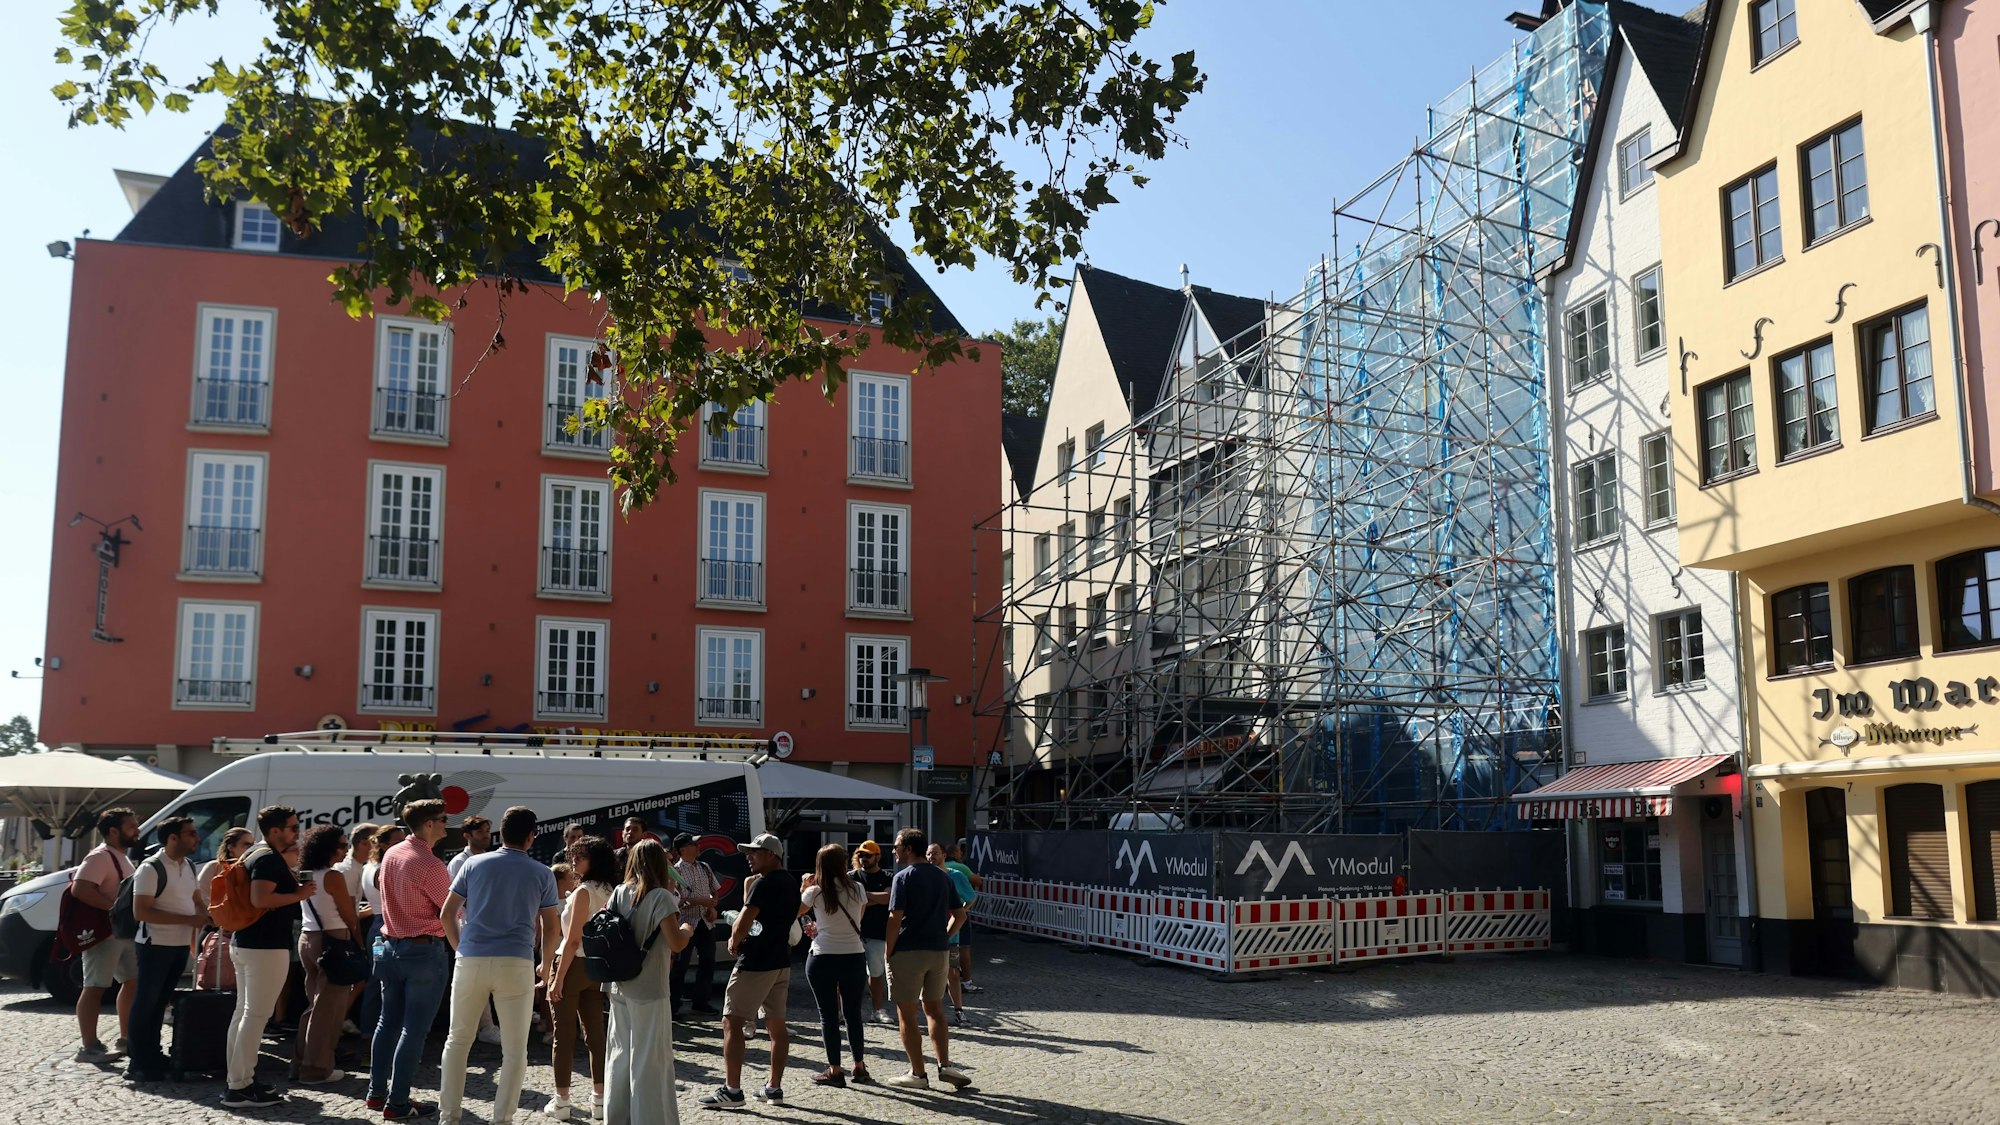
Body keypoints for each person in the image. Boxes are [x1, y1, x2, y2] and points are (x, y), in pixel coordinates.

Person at [438, 806, 561, 1125]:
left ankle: (448, 1116)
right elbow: (551, 927)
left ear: (499, 835)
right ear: (531, 837)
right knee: (515, 1050)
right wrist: (546, 965)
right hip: (517, 963)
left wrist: (459, 950)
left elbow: (446, 914)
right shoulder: (542, 873)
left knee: (458, 1040)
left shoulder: (473, 864)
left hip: (472, 959)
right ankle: (502, 1119)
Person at [365, 799, 453, 1122]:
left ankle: (377, 1093)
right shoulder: (430, 864)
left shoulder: (392, 853)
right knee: (413, 1030)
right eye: (443, 819)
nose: (447, 825)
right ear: (428, 824)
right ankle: (397, 1101)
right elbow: (451, 910)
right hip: (422, 951)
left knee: (387, 1023)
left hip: (390, 946)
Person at [697, 833, 797, 1111]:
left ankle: (732, 1090)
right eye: (748, 852)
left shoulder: (762, 884)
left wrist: (734, 940)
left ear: (772, 855)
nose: (748, 856)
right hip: (780, 960)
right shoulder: (790, 881)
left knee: (732, 1021)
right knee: (777, 1025)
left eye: (755, 852)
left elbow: (745, 918)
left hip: (755, 962)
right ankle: (774, 1087)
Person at [224, 804, 314, 1109]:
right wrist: (298, 895)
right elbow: (260, 898)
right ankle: (239, 1086)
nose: (296, 831)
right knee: (255, 1016)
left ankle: (240, 1080)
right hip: (263, 946)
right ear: (275, 830)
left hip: (247, 942)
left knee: (244, 1014)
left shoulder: (254, 853)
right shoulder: (267, 858)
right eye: (292, 827)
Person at [600, 839, 693, 1125]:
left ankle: (617, 1118)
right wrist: (687, 928)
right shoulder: (660, 897)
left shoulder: (619, 892)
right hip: (649, 986)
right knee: (649, 1058)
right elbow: (676, 943)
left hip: (618, 984)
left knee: (619, 1055)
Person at [881, 828, 969, 1091]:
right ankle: (945, 1065)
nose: (894, 850)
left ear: (908, 849)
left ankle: (918, 1073)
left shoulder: (903, 877)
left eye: (897, 846)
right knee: (935, 1010)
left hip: (909, 951)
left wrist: (889, 951)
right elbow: (960, 914)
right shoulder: (943, 878)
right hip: (938, 950)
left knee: (907, 1014)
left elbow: (895, 918)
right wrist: (945, 935)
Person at [124, 815, 205, 1083]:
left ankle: (154, 1055)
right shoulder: (150, 868)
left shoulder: (189, 865)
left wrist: (206, 917)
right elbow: (142, 911)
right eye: (191, 833)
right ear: (173, 838)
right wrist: (189, 920)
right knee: (146, 1003)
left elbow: (195, 901)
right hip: (154, 944)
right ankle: (138, 1061)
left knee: (160, 1003)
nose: (197, 837)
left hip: (179, 944)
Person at [543, 836, 615, 1121]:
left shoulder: (583, 891)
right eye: (573, 855)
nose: (573, 861)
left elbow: (572, 940)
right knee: (595, 1034)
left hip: (572, 965)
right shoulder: (612, 889)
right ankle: (599, 1099)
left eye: (580, 856)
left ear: (593, 860)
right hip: (597, 967)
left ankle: (561, 1101)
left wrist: (557, 979)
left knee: (563, 1036)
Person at [71, 805, 139, 1064]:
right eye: (131, 826)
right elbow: (81, 889)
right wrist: (112, 910)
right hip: (105, 935)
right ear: (113, 831)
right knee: (95, 987)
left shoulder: (120, 855)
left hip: (122, 934)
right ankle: (89, 1046)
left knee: (132, 982)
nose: (137, 831)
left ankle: (125, 1039)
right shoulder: (100, 856)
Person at [297, 825, 364, 1084]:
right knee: (328, 1011)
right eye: (340, 844)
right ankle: (316, 1070)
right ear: (327, 848)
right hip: (333, 940)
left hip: (308, 938)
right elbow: (349, 916)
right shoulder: (333, 876)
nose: (345, 849)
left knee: (313, 1007)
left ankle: (301, 1063)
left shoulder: (307, 873)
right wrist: (359, 944)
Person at [800, 843, 871, 1087]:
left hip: (823, 955)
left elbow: (797, 911)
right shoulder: (858, 888)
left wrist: (804, 886)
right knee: (853, 1014)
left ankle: (835, 1070)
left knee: (828, 1016)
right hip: (853, 955)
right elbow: (858, 919)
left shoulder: (815, 892)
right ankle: (859, 1066)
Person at [668, 833, 720, 1018]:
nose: (698, 847)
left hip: (705, 923)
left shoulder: (704, 867)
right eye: (693, 844)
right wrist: (700, 901)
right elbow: (675, 901)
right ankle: (673, 1006)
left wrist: (713, 907)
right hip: (685, 924)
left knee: (708, 963)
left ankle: (701, 1002)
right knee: (680, 966)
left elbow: (715, 891)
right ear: (683, 849)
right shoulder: (676, 871)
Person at [929, 844, 977, 1026]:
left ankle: (959, 1010)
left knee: (953, 973)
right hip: (927, 933)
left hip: (950, 934)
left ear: (943, 855)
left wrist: (960, 913)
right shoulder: (925, 875)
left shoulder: (956, 876)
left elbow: (971, 897)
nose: (931, 857)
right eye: (928, 854)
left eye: (935, 853)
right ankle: (932, 1012)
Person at [850, 840, 894, 1024]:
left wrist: (864, 896)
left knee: (876, 974)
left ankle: (878, 1010)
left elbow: (888, 898)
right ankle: (848, 1011)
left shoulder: (887, 877)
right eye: (860, 855)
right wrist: (874, 897)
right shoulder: (850, 877)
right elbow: (849, 900)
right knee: (849, 975)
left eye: (867, 855)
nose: (863, 858)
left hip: (877, 933)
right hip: (852, 934)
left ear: (878, 856)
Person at [947, 840, 984, 994]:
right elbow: (978, 882)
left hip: (940, 914)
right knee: (963, 948)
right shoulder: (960, 868)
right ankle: (967, 981)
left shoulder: (936, 869)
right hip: (957, 912)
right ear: (956, 853)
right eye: (960, 852)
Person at [446, 816, 493, 880]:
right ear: (467, 836)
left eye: (487, 831)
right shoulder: (459, 862)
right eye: (480, 831)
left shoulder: (491, 860)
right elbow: (456, 889)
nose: (486, 835)